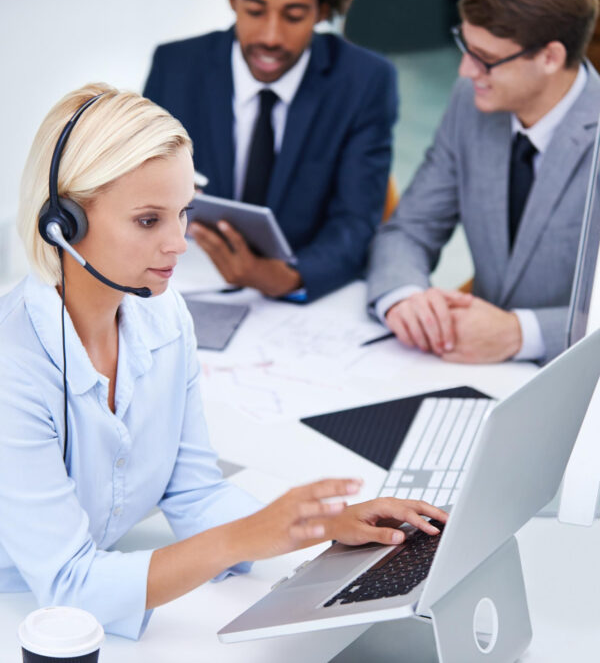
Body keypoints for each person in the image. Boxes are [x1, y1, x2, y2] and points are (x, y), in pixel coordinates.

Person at [0, 84, 446, 640]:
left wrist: (322, 525)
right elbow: (68, 584)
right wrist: (250, 536)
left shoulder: (165, 318)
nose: (179, 243)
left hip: (100, 586)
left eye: (183, 212)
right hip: (24, 610)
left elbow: (193, 492)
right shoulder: (14, 363)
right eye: (148, 220)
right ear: (64, 223)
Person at [367, 0, 600, 365]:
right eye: (465, 46)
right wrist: (405, 297)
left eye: (486, 59)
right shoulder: (470, 102)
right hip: (473, 369)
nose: (465, 70)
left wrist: (521, 333)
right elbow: (410, 228)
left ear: (550, 57)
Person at [144, 0, 397, 302]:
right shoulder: (176, 66)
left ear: (321, 11)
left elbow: (356, 222)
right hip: (185, 279)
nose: (271, 37)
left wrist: (290, 278)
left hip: (298, 292)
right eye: (255, 11)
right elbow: (141, 191)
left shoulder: (366, 82)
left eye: (293, 16)